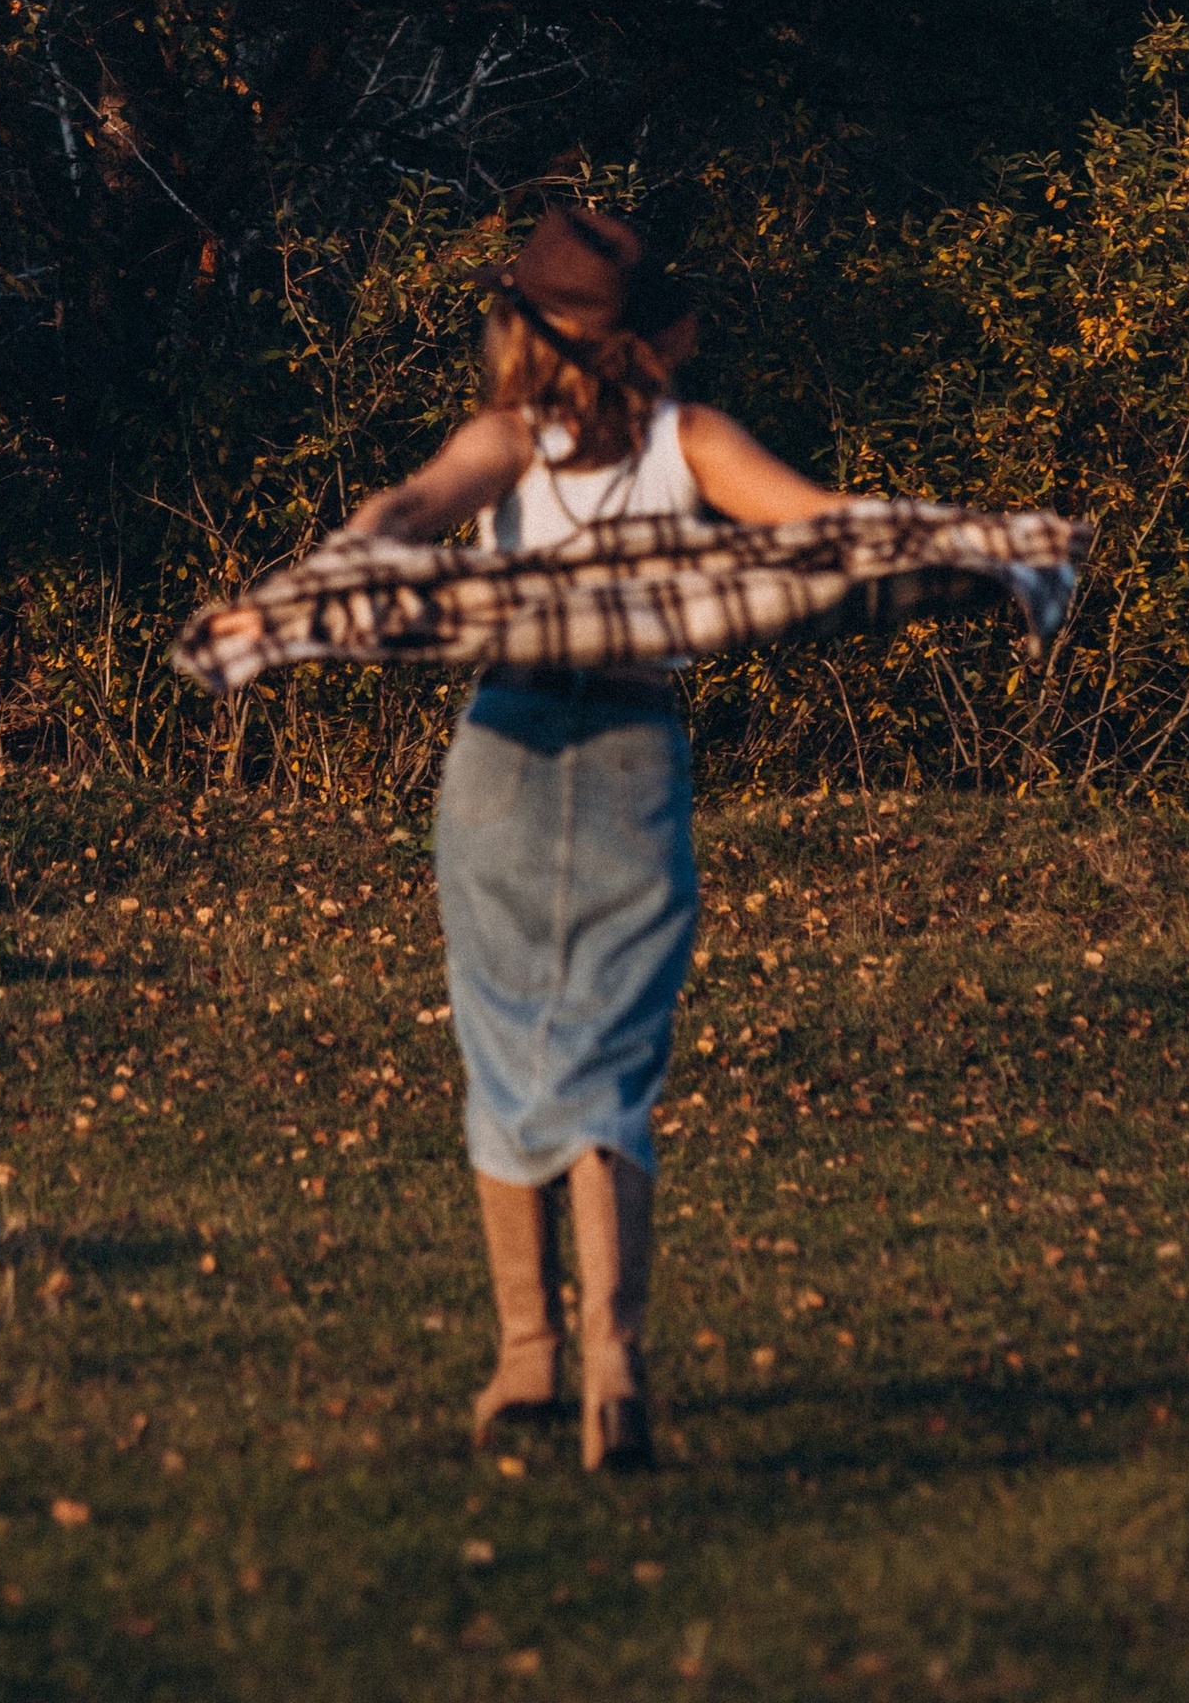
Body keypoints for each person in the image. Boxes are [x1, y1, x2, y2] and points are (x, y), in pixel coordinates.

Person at [341, 200, 843, 1474]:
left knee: (505, 1036)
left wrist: (361, 551)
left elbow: (415, 502)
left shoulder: (509, 438)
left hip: (506, 748)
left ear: (517, 330)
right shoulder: (696, 441)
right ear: (659, 336)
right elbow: (825, 530)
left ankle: (526, 1360)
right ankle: (613, 1366)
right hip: (631, 749)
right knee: (612, 1052)